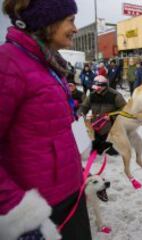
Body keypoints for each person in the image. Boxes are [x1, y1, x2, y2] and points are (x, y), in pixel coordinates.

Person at [0, 0, 92, 239]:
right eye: (70, 20)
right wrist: (18, 215)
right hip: (40, 209)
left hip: (71, 191)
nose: (75, 28)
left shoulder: (47, 62)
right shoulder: (8, 64)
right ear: (47, 21)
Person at [80, 75, 126, 156]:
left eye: (98, 88)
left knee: (110, 150)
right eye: (95, 88)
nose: (96, 90)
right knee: (95, 148)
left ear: (104, 86)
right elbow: (84, 107)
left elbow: (124, 109)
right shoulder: (91, 95)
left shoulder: (115, 95)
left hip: (111, 127)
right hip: (96, 126)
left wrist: (112, 116)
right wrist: (80, 115)